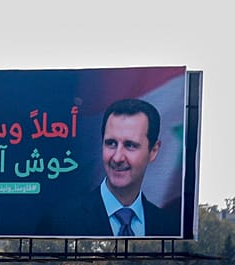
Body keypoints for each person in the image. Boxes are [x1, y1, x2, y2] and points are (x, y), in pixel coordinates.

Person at [37, 98, 181, 237]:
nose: (117, 158)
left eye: (130, 145)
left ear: (153, 151)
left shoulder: (170, 228)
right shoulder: (60, 223)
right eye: (111, 143)